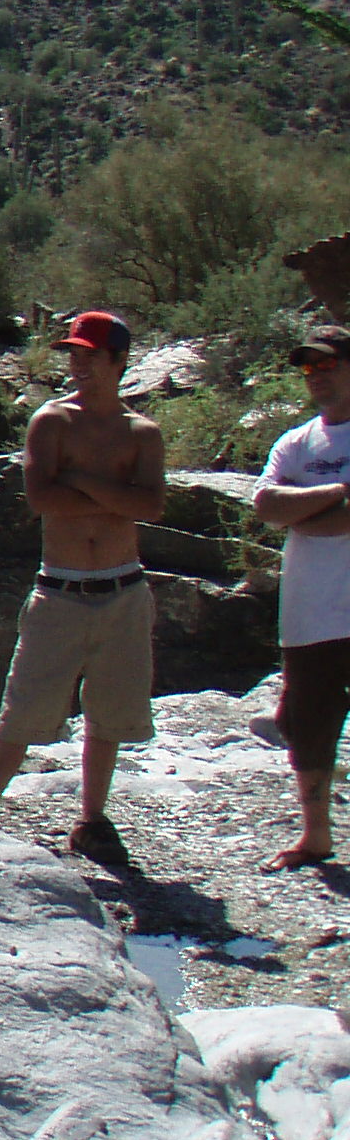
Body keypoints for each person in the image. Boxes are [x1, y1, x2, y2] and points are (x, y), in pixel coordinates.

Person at [0, 309, 165, 862]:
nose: (78, 364)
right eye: (73, 354)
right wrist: (114, 494)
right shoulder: (51, 421)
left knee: (110, 713)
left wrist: (78, 478)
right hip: (60, 590)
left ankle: (92, 819)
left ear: (118, 361)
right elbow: (43, 498)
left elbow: (151, 505)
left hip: (124, 590)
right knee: (24, 709)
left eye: (89, 355)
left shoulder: (142, 432)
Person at [252, 327, 350, 870]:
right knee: (306, 723)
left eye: (327, 364)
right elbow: (268, 505)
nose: (316, 376)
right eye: (308, 368)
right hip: (311, 612)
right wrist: (336, 492)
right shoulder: (295, 442)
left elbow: (329, 522)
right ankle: (316, 836)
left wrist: (306, 509)